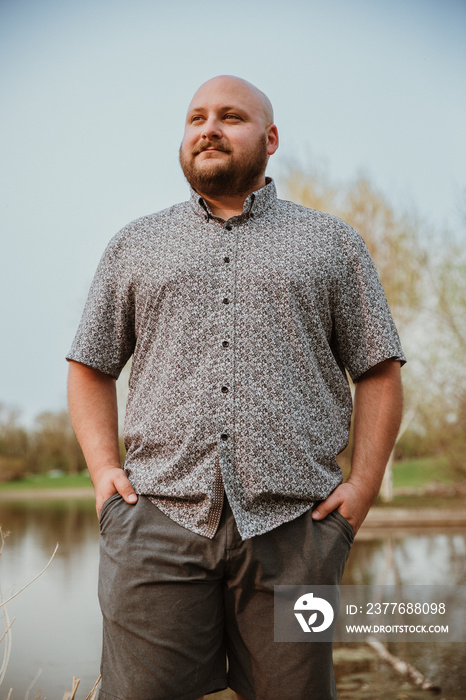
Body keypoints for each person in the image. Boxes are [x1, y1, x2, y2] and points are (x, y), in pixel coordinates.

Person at [67, 75, 405, 700]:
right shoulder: (135, 244)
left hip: (297, 531)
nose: (208, 129)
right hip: (155, 522)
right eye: (196, 118)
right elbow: (90, 365)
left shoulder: (331, 243)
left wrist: (358, 492)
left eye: (230, 117)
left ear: (270, 139)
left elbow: (379, 370)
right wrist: (103, 475)